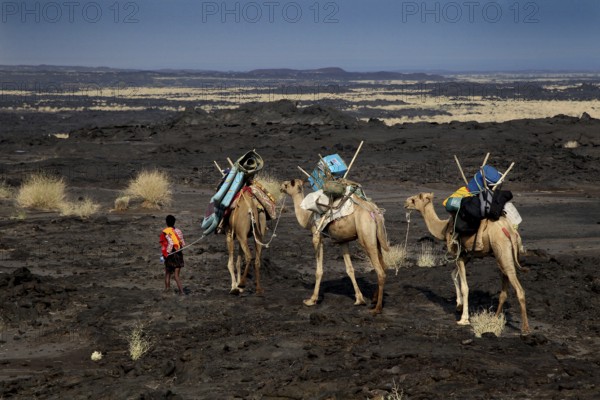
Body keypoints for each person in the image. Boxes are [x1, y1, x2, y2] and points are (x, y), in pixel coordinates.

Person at [159, 215, 186, 295]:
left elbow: (170, 243)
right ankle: (182, 292)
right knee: (177, 275)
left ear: (166, 222)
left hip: (171, 255)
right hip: (179, 254)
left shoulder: (166, 232)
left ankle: (167, 289)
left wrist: (166, 254)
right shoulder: (179, 231)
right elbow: (182, 243)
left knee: (168, 273)